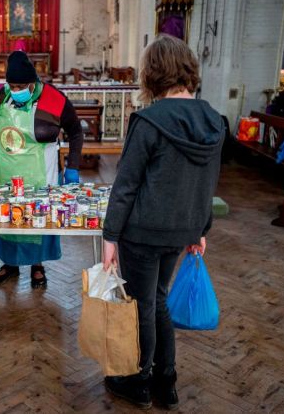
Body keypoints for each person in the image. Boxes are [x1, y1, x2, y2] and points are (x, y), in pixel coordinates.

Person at [101, 34, 224, 410]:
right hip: (181, 230)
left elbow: (125, 186)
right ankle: (165, 382)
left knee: (143, 304)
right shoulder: (214, 120)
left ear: (153, 72)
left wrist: (110, 238)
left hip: (143, 232)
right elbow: (208, 182)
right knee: (158, 300)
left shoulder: (148, 120)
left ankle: (138, 382)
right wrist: (201, 229)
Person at [0, 51, 83, 288]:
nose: (16, 89)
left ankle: (37, 265)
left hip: (40, 172)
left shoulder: (54, 98)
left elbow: (76, 131)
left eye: (21, 85)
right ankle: (10, 264)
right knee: (8, 215)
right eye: (12, 85)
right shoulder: (2, 96)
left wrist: (72, 166)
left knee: (37, 215)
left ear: (33, 82)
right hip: (6, 172)